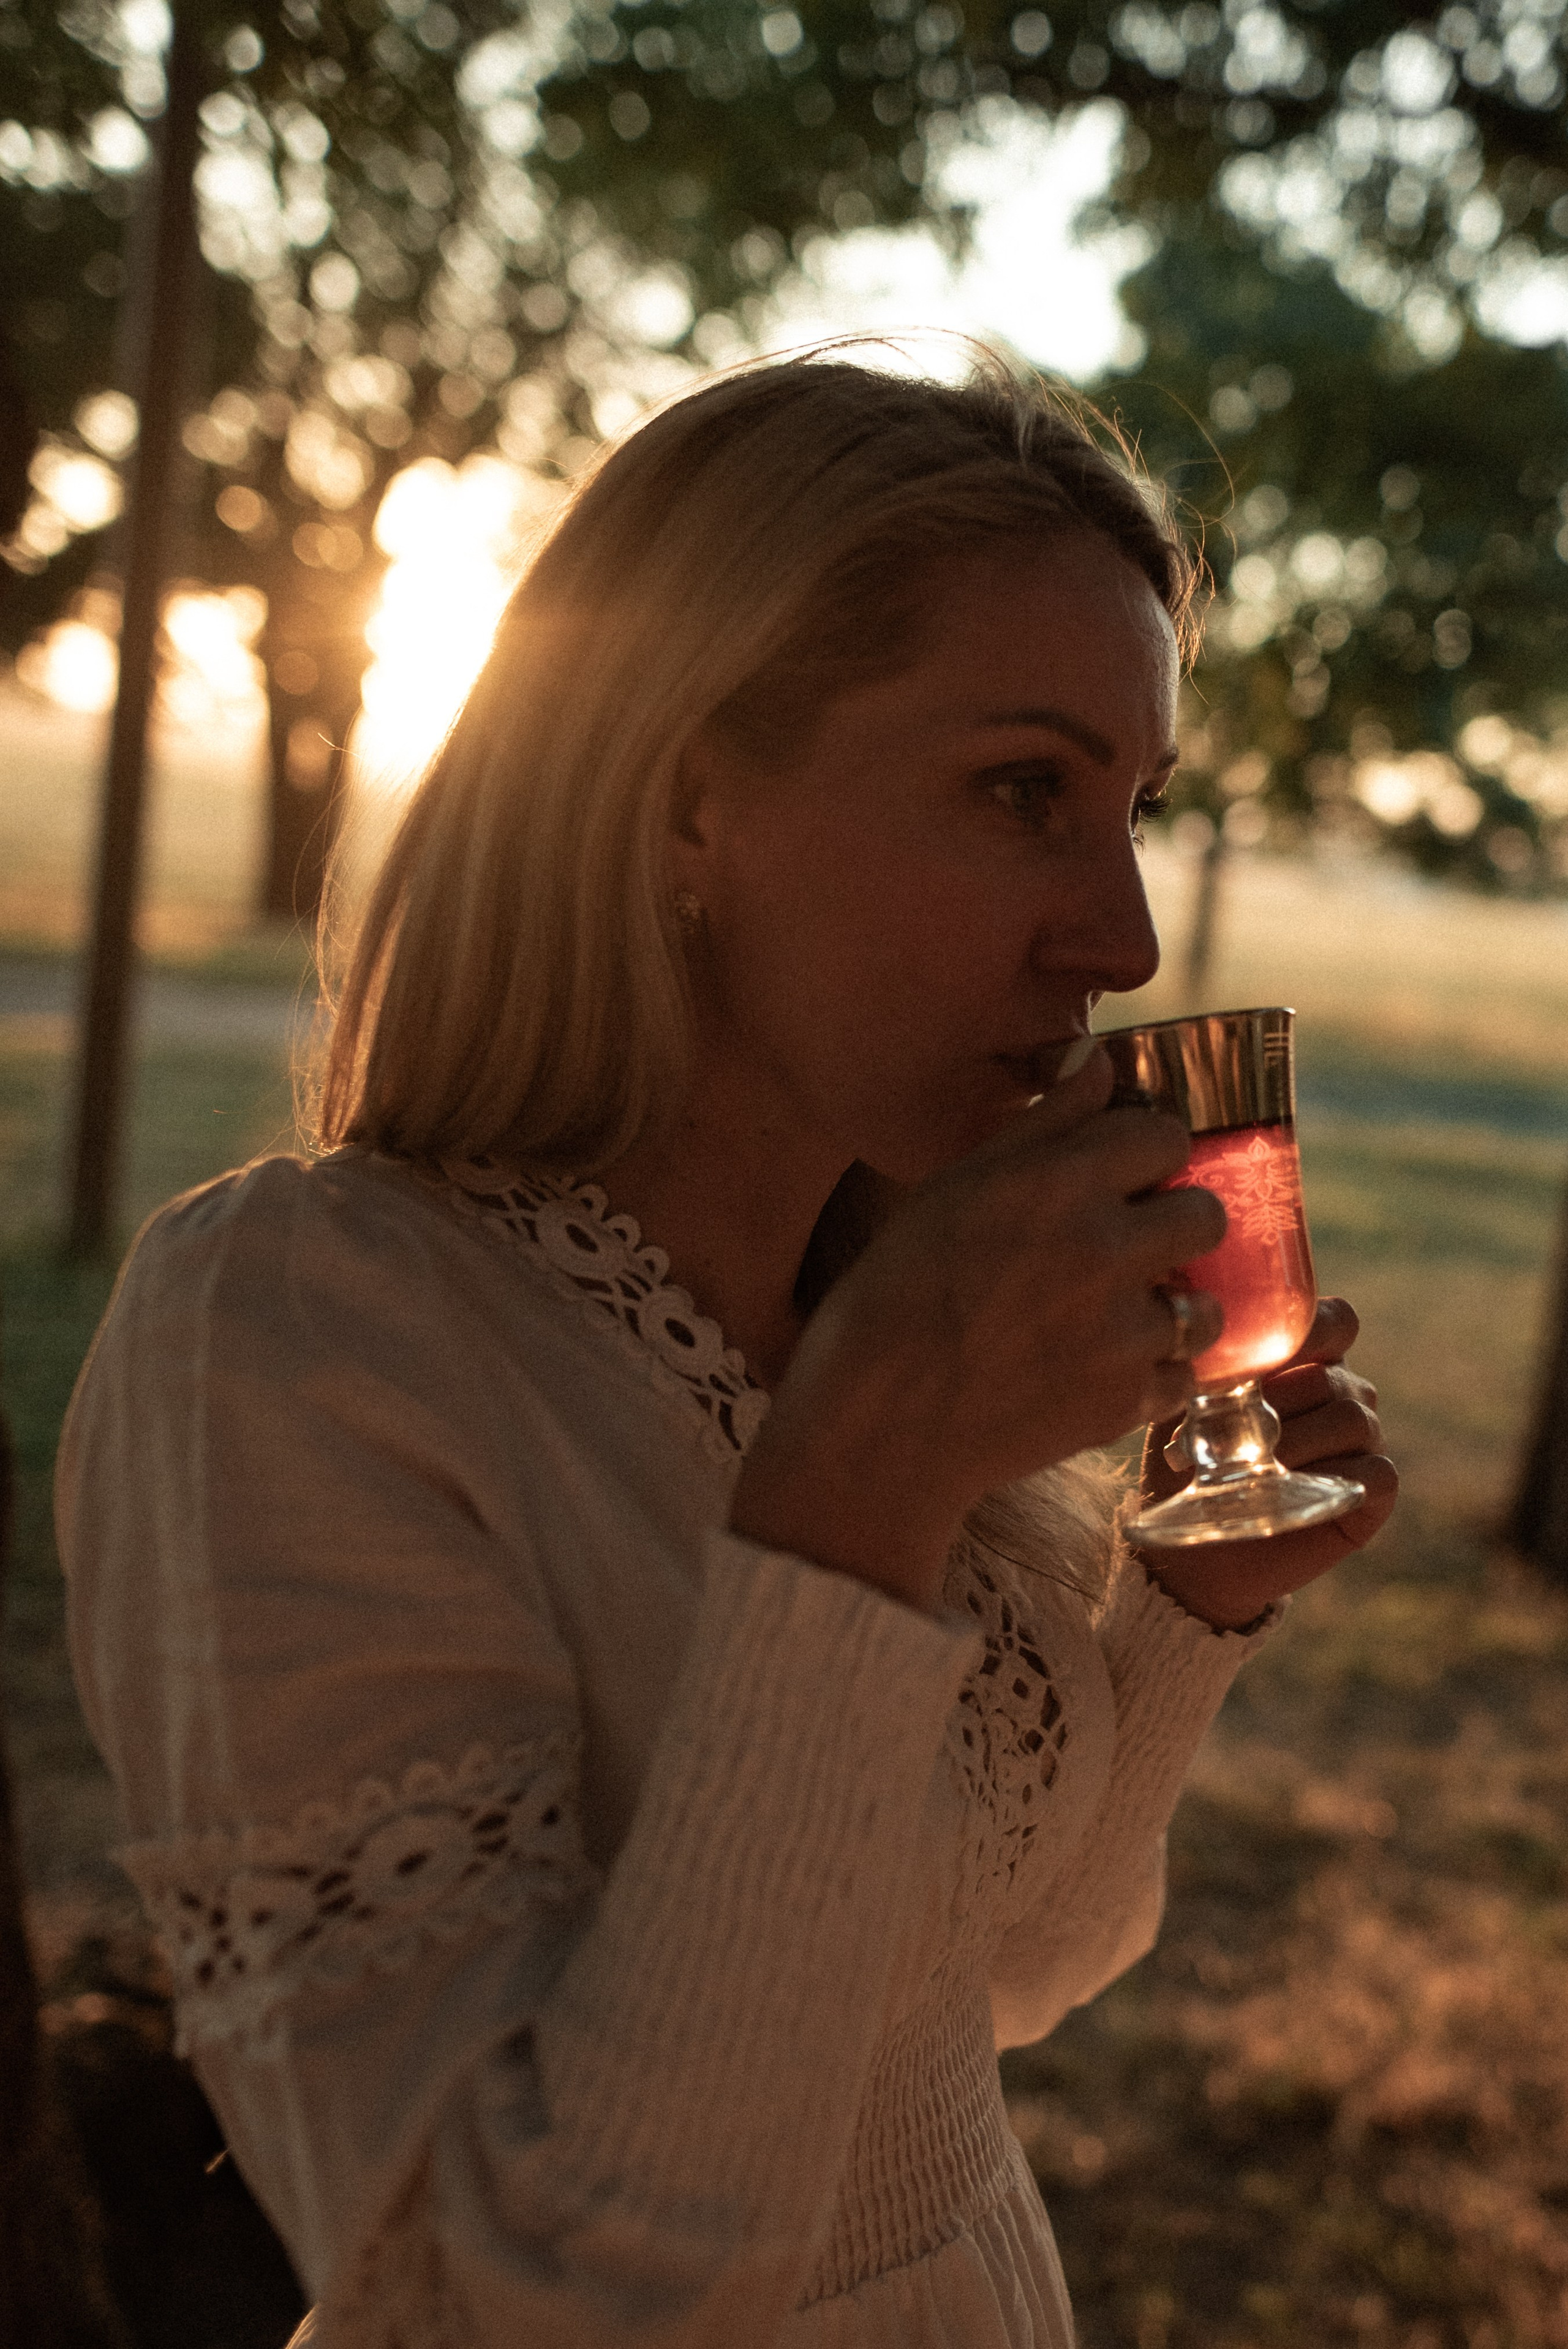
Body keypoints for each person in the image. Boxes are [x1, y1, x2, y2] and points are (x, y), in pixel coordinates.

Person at [58, 347, 1396, 2348]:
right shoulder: (294, 1330)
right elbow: (509, 2292)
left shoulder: (853, 1304)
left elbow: (991, 1965)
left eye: (1135, 809)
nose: (1121, 936)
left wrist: (1184, 1612)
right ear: (689, 796)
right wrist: (858, 1486)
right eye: (1023, 792)